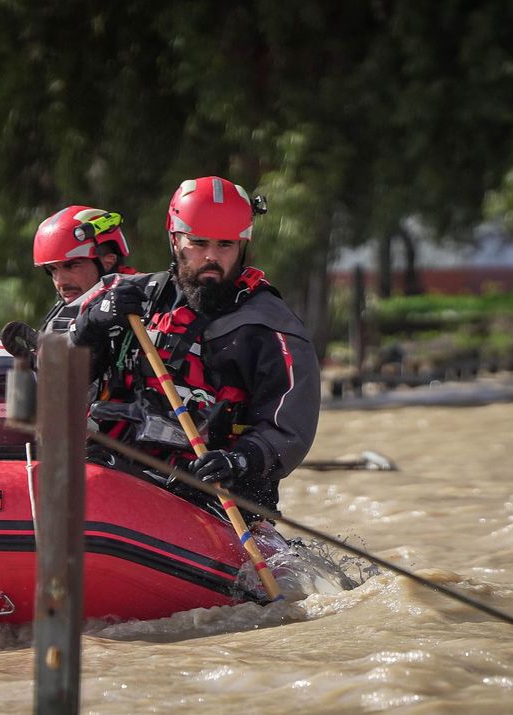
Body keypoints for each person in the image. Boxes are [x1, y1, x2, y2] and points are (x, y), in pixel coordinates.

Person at [67, 176, 320, 512]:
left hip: (210, 498)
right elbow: (52, 380)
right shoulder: (128, 298)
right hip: (112, 474)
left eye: (225, 245)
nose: (211, 257)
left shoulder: (270, 327)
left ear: (242, 246)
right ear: (175, 240)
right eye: (199, 243)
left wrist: (238, 461)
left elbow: (289, 427)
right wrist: (89, 327)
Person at [30, 205, 134, 334]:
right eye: (52, 270)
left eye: (72, 266)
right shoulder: (58, 320)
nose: (60, 282)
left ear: (108, 262)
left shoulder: (149, 300)